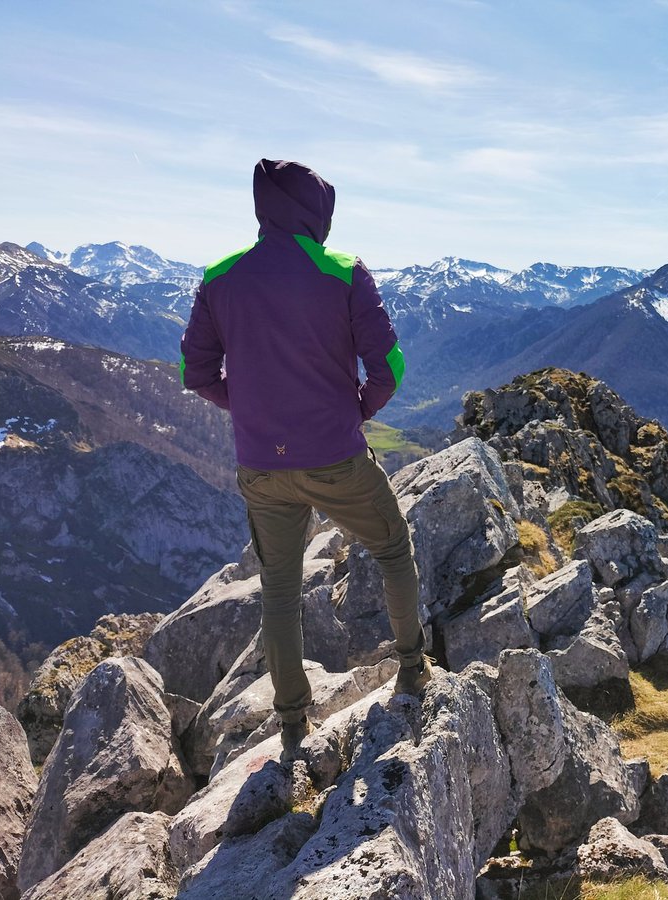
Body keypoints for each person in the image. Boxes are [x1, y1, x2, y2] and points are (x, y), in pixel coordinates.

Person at [179, 159, 433, 764]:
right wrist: (357, 410)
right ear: (317, 211)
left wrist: (247, 409)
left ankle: (294, 726)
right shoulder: (345, 272)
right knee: (393, 549)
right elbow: (390, 368)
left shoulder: (220, 276)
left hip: (262, 468)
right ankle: (412, 669)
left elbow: (195, 374)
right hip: (338, 458)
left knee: (280, 590)